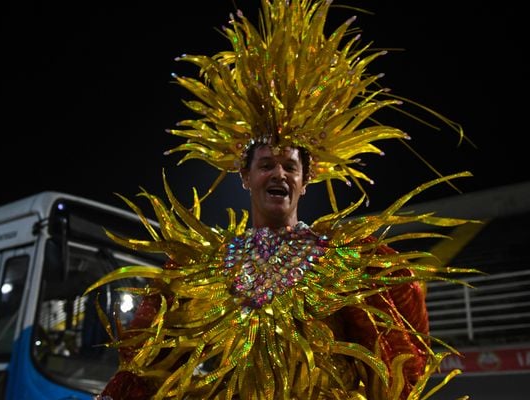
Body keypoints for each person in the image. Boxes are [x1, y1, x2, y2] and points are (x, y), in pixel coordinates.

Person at [85, 1, 476, 399]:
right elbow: (146, 365)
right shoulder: (201, 267)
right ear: (245, 177)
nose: (279, 174)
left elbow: (401, 361)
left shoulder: (343, 262)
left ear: (306, 181)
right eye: (267, 164)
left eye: (290, 167)